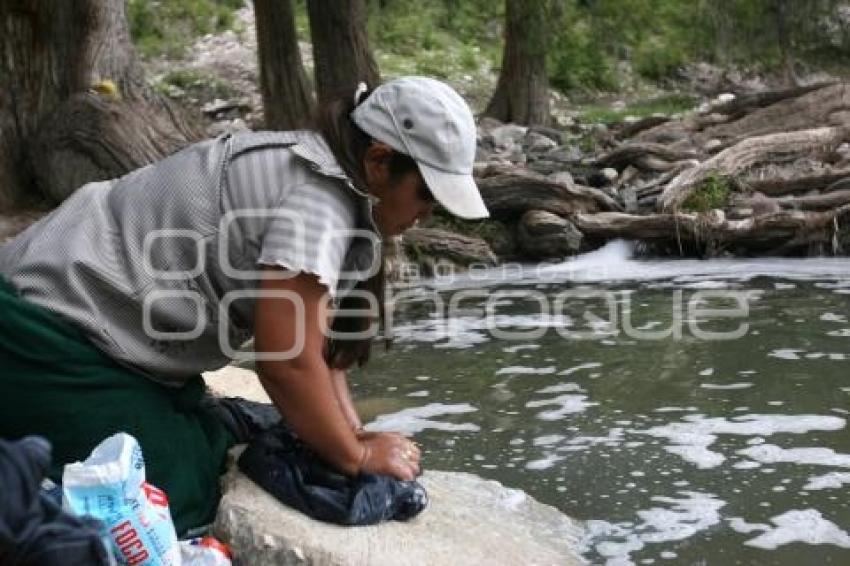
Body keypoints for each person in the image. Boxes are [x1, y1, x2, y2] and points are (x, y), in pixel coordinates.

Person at [0, 76, 489, 533]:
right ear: (380, 161)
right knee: (174, 486)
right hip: (37, 334)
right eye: (426, 193)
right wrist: (353, 459)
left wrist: (353, 437)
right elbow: (287, 365)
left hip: (77, 321)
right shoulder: (317, 206)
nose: (428, 213)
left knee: (260, 431)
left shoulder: (323, 172)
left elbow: (316, 350)